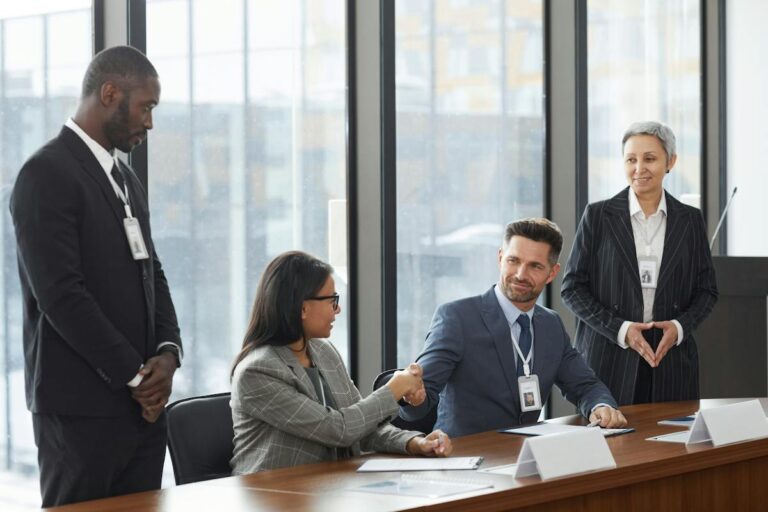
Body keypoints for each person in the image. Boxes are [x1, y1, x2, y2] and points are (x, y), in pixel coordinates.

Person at [9, 46, 183, 507]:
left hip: (142, 413)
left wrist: (168, 354)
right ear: (110, 94)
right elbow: (62, 297)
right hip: (80, 413)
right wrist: (136, 376)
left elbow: (153, 272)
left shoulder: (126, 179)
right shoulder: (45, 174)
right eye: (146, 107)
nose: (149, 122)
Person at [230, 251, 452, 474]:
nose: (337, 309)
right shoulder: (257, 371)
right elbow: (337, 429)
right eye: (332, 300)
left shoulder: (323, 351)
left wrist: (416, 443)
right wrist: (393, 389)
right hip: (274, 497)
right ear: (302, 308)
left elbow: (362, 427)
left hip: (328, 488)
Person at [400, 218, 626, 438]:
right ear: (500, 258)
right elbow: (419, 397)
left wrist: (601, 405)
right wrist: (414, 396)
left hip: (524, 457)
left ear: (552, 273)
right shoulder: (457, 318)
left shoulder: (551, 325)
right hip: (465, 457)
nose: (520, 274)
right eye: (513, 261)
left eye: (535, 266)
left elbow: (585, 385)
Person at [561, 121, 718, 405]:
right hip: (609, 358)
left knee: (674, 443)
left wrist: (679, 327)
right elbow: (572, 288)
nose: (639, 168)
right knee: (610, 446)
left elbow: (707, 291)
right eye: (631, 159)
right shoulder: (597, 216)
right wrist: (621, 330)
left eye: (650, 158)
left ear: (670, 161)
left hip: (671, 361)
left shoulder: (690, 220)